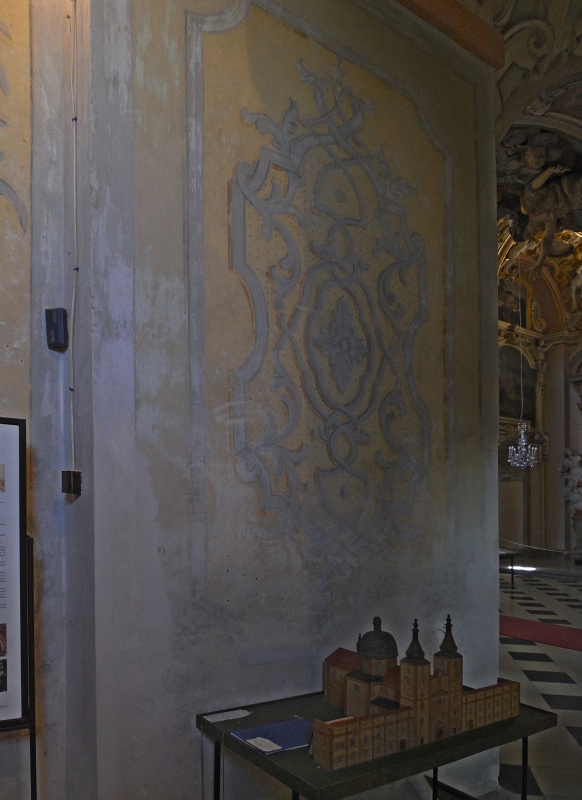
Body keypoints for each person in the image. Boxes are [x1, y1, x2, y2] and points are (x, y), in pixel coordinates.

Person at [509, 164, 579, 274]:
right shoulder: (546, 220)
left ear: (523, 224)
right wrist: (539, 263)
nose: (533, 234)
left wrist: (550, 170)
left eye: (528, 233)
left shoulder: (529, 205)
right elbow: (547, 239)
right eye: (530, 236)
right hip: (577, 202)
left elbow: (532, 187)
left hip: (570, 188)